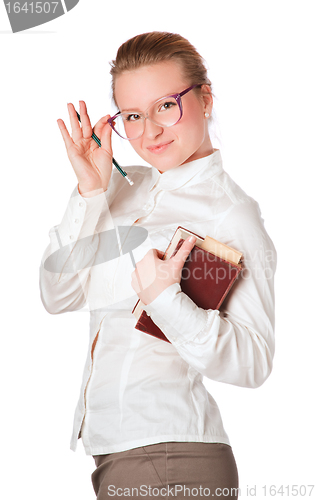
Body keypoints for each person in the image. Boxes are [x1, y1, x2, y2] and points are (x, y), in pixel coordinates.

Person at [39, 31, 276, 499]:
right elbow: (58, 295)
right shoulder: (121, 189)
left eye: (166, 105)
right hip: (117, 456)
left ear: (205, 98)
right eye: (132, 115)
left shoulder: (229, 213)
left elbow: (254, 362)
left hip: (173, 457)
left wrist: (164, 299)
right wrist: (90, 191)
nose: (149, 132)